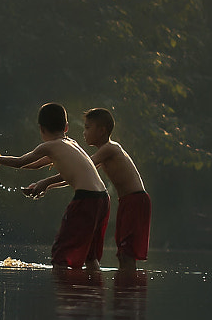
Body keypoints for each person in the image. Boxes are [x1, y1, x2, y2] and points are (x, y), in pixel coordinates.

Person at [0, 103, 109, 269]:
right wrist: (44, 184)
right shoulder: (70, 143)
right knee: (90, 257)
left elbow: (21, 161)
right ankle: (94, 293)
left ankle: (68, 294)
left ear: (41, 129)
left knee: (60, 255)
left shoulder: (49, 146)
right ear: (66, 127)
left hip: (86, 201)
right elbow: (34, 165)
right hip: (102, 199)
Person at [29, 107, 152, 269]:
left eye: (87, 128)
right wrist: (48, 185)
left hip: (135, 201)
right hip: (128, 201)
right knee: (123, 253)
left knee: (126, 253)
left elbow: (79, 168)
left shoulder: (109, 148)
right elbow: (74, 176)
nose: (84, 132)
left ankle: (128, 291)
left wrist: (45, 182)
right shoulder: (105, 152)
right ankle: (120, 289)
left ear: (101, 131)